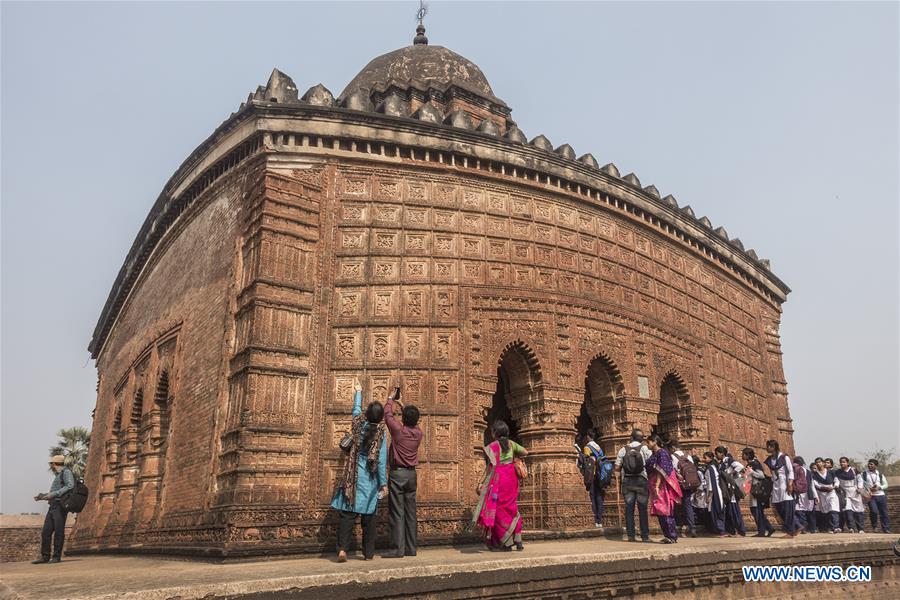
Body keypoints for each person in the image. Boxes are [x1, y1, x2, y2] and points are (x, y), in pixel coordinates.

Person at [331, 378, 388, 562]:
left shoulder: (357, 426)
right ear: (380, 418)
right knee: (369, 518)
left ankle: (342, 550)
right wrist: (383, 484)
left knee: (347, 515)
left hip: (352, 478)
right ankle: (368, 553)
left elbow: (355, 411)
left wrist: (358, 392)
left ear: (367, 414)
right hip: (369, 480)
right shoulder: (380, 435)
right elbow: (380, 461)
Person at [472, 420, 527, 551]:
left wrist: (482, 482)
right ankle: (518, 540)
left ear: (495, 433)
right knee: (512, 507)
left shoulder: (492, 446)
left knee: (499, 510)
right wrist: (514, 458)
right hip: (511, 478)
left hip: (498, 479)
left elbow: (490, 466)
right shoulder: (512, 444)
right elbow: (525, 452)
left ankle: (506, 543)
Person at [382, 388, 423, 558]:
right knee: (410, 512)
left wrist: (391, 398)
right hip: (411, 476)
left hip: (398, 474)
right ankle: (411, 548)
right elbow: (412, 420)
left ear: (404, 418)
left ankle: (397, 549)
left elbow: (387, 415)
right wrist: (403, 405)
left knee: (397, 511)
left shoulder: (399, 431)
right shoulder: (419, 433)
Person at [32, 454, 75, 564]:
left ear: (54, 464)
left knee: (58, 532)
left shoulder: (66, 472)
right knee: (46, 532)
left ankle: (56, 556)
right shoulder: (58, 475)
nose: (50, 466)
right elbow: (54, 493)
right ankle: (45, 556)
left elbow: (70, 485)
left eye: (51, 464)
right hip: (53, 506)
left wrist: (55, 494)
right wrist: (42, 496)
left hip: (60, 506)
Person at [614, 429, 653, 542]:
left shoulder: (623, 449)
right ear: (642, 439)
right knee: (642, 509)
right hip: (642, 480)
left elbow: (617, 467)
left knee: (629, 509)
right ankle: (645, 536)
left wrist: (618, 479)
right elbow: (651, 464)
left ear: (631, 437)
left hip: (627, 481)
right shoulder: (645, 449)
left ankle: (631, 535)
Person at [645, 434, 682, 543]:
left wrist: (657, 485)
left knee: (665, 510)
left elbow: (662, 471)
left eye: (648, 442)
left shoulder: (662, 453)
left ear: (654, 442)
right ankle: (668, 536)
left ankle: (671, 536)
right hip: (656, 485)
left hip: (662, 486)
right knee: (660, 511)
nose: (647, 445)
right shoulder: (655, 453)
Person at [763, 439, 796, 538]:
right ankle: (794, 526)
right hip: (776, 484)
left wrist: (790, 484)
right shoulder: (770, 460)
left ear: (773, 447)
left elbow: (790, 471)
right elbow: (771, 473)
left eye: (768, 446)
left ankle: (790, 531)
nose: (767, 448)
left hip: (784, 484)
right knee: (778, 506)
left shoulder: (783, 457)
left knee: (787, 507)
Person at [578, 429, 609, 528]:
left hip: (592, 474)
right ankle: (599, 519)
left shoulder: (587, 447)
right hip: (600, 474)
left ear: (587, 437)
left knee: (592, 496)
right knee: (599, 496)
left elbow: (587, 462)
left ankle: (595, 518)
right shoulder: (598, 447)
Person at [668, 440, 698, 538]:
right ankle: (692, 527)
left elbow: (670, 471)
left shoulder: (672, 457)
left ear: (673, 448)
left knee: (675, 503)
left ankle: (678, 524)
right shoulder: (688, 456)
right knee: (688, 504)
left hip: (677, 484)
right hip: (688, 483)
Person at [742, 448, 775, 537]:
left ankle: (762, 531)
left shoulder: (755, 464)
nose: (742, 456)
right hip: (753, 490)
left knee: (756, 511)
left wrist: (751, 472)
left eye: (743, 454)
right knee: (757, 511)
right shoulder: (750, 464)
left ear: (748, 455)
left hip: (757, 490)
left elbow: (761, 475)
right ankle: (769, 528)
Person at [715, 446, 747, 536]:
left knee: (734, 511)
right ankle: (732, 531)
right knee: (729, 511)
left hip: (731, 490)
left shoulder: (728, 460)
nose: (716, 455)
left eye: (717, 453)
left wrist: (729, 474)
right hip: (726, 490)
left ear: (722, 453)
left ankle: (741, 531)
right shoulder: (722, 463)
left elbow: (741, 467)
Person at [701, 451, 728, 536]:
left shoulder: (710, 469)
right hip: (717, 491)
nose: (704, 460)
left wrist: (709, 496)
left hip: (714, 493)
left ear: (710, 458)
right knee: (718, 511)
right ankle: (719, 530)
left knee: (716, 511)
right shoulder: (714, 467)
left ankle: (720, 531)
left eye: (705, 458)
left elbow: (711, 483)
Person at [835, 457, 865, 533]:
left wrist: (860, 488)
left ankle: (860, 528)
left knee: (858, 510)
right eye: (841, 462)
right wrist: (836, 485)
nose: (842, 463)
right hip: (845, 492)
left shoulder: (854, 470)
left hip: (855, 491)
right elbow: (836, 480)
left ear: (847, 463)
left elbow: (860, 480)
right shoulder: (838, 472)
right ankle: (851, 527)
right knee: (847, 510)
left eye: (844, 462)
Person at [811, 457, 841, 533]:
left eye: (820, 462)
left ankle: (835, 527)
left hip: (831, 492)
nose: (818, 463)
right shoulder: (815, 474)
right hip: (822, 494)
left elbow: (836, 480)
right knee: (826, 511)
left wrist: (835, 486)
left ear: (823, 463)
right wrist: (823, 487)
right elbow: (816, 484)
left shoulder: (831, 472)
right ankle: (829, 527)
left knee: (833, 509)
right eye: (817, 462)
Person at [861, 459, 891, 533]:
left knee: (884, 512)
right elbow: (861, 485)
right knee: (874, 511)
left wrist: (879, 487)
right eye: (869, 464)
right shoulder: (864, 474)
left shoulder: (880, 475)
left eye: (871, 464)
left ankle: (886, 528)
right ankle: (875, 527)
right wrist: (868, 490)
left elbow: (886, 485)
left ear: (876, 466)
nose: (869, 465)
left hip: (881, 495)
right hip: (871, 496)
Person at [792, 457, 817, 534]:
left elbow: (811, 484)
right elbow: (812, 485)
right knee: (806, 511)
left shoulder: (796, 470)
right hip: (807, 493)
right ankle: (810, 528)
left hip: (801, 493)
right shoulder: (808, 472)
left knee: (800, 510)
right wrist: (816, 495)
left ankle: (805, 527)